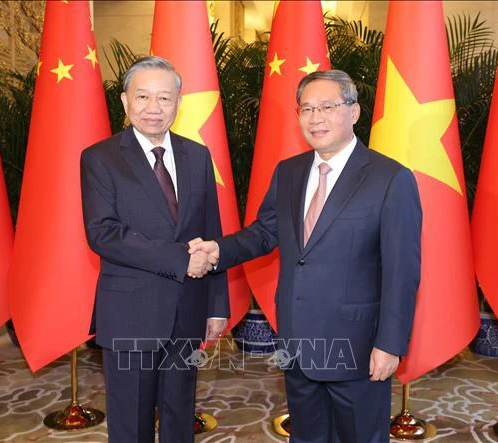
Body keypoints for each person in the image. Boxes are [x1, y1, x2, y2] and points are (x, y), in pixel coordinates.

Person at [189, 70, 422, 442]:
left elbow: (402, 272)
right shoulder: (290, 172)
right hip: (298, 342)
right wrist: (218, 250)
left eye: (327, 107)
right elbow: (264, 233)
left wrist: (389, 344)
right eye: (307, 109)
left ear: (354, 112)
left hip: (357, 347)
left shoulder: (390, 178)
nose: (315, 118)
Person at [80, 56, 229, 443]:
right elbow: (104, 234)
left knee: (181, 412)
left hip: (188, 308)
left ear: (179, 103)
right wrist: (181, 258)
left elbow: (211, 231)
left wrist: (216, 305)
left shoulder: (197, 156)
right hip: (131, 312)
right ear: (125, 102)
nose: (154, 107)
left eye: (165, 98)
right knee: (132, 421)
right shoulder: (100, 158)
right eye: (143, 97)